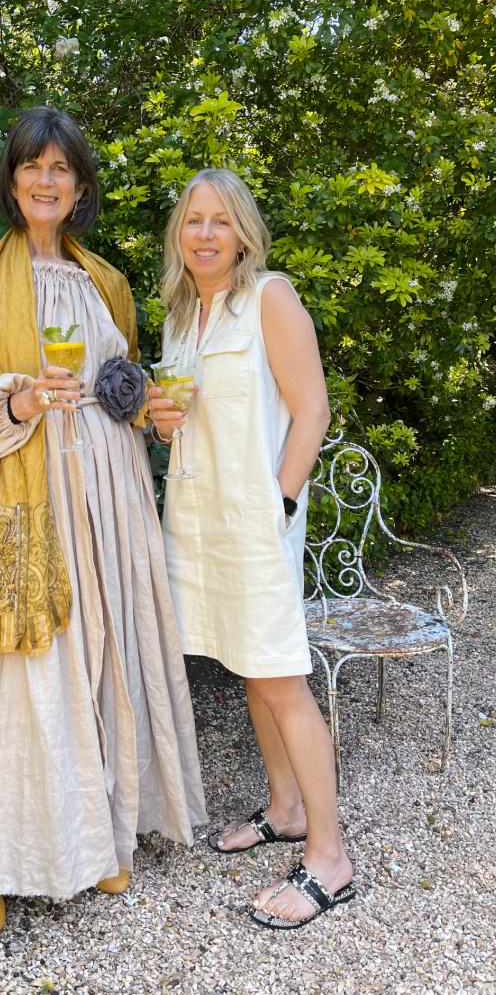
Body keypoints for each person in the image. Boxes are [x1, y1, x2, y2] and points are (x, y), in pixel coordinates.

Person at [0, 107, 206, 984]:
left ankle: (102, 833)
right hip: (31, 496)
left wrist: (148, 406)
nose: (47, 180)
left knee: (106, 652)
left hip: (108, 494)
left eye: (62, 168)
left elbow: (121, 386)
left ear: (79, 186)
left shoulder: (106, 281)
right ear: (13, 179)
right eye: (33, 166)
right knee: (30, 673)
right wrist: (20, 403)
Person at [150, 168, 354, 930]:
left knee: (280, 678)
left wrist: (284, 500)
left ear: (242, 232)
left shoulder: (270, 296)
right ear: (179, 234)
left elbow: (312, 410)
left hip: (255, 523)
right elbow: (179, 420)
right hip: (198, 524)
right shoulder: (180, 315)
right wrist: (161, 421)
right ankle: (286, 805)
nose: (205, 233)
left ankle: (330, 856)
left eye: (220, 220)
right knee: (246, 663)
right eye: (193, 220)